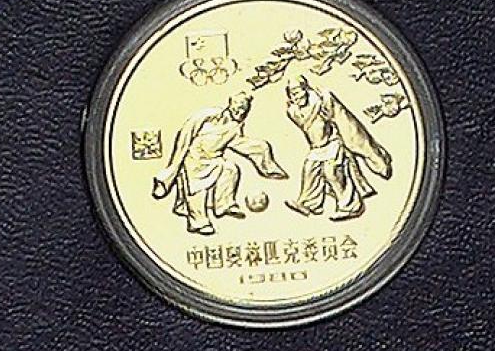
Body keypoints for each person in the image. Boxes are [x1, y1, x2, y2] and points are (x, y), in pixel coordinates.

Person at [153, 91, 286, 235]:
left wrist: (262, 149)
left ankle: (224, 205)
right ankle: (198, 222)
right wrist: (176, 161)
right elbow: (186, 132)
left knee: (230, 169)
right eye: (239, 107)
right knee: (196, 188)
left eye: (244, 109)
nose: (241, 111)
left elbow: (238, 143)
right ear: (231, 104)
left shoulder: (235, 126)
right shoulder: (209, 115)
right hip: (194, 159)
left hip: (214, 159)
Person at [283, 76, 391, 221]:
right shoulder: (293, 111)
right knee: (309, 170)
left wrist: (326, 106)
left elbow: (341, 119)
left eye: (298, 91)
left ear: (306, 89)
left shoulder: (322, 101)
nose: (296, 96)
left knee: (332, 173)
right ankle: (309, 204)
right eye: (292, 93)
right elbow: (306, 124)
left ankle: (350, 206)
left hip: (332, 143)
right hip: (317, 147)